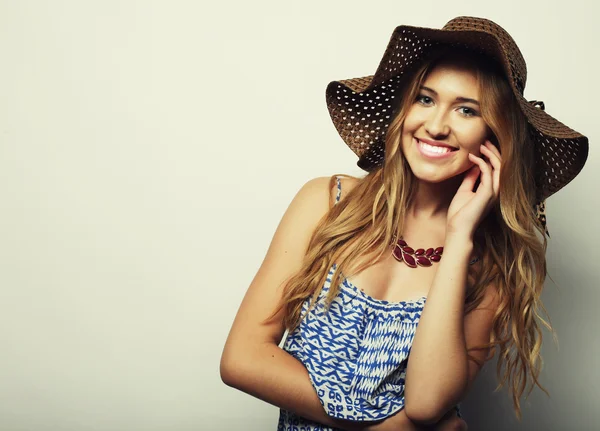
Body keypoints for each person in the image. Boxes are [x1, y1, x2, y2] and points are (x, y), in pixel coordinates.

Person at [220, 16, 588, 431]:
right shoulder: (326, 202)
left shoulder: (489, 266)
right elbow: (242, 360)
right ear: (404, 108)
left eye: (467, 110)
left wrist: (460, 237)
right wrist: (386, 427)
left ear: (495, 136)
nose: (435, 125)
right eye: (425, 99)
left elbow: (428, 402)